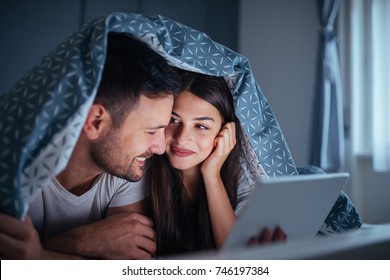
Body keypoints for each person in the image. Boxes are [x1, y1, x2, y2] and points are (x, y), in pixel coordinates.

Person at [0, 32, 180, 259]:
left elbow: (127, 266)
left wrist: (45, 254)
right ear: (96, 121)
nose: (160, 147)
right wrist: (71, 247)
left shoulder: (130, 164)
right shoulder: (12, 159)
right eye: (151, 131)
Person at [146, 70, 286, 257]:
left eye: (201, 126)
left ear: (225, 132)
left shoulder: (244, 179)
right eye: (174, 120)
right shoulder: (141, 170)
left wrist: (211, 174)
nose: (182, 138)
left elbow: (236, 260)